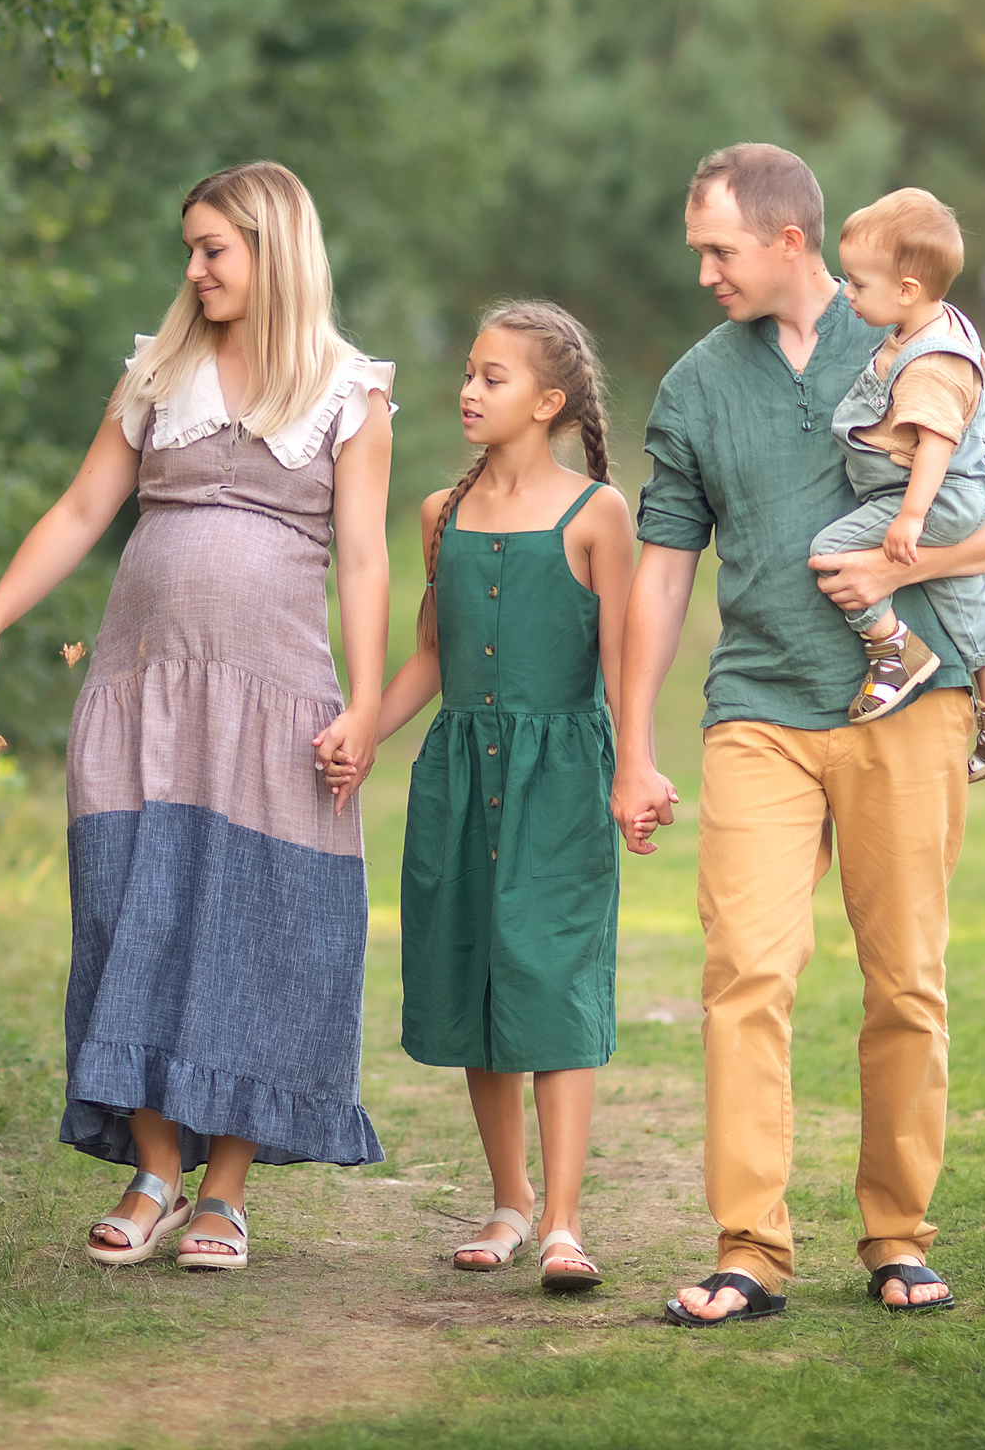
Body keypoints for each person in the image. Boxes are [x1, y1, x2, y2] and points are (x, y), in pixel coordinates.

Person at [609, 144, 985, 1327]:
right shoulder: (695, 385)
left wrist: (902, 561)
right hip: (756, 710)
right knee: (745, 973)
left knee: (906, 980)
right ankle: (749, 1247)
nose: (702, 269)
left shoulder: (917, 336)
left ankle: (897, 1234)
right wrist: (632, 744)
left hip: (914, 706)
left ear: (788, 241)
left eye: (718, 247)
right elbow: (659, 577)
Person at [0, 162, 394, 1272]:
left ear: (270, 248)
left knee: (261, 927)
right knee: (130, 906)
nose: (192, 269)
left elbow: (367, 558)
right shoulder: (157, 369)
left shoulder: (349, 391)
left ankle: (224, 1192)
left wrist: (368, 706)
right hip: (143, 692)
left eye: (211, 249)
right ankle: (153, 1171)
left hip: (275, 701)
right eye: (189, 248)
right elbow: (85, 507)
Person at [350, 302, 634, 1293]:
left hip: (558, 778)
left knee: (549, 980)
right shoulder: (440, 514)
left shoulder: (597, 512)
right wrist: (362, 733)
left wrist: (632, 768)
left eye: (492, 378)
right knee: (478, 976)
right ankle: (509, 1203)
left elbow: (620, 667)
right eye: (467, 373)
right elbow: (429, 654)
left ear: (549, 401)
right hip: (459, 778)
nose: (468, 391)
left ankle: (563, 1221)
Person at [808, 188, 985, 780]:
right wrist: (984, 390)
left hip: (929, 496)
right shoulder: (949, 325)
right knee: (965, 591)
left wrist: (910, 517)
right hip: (965, 496)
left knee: (830, 551)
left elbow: (934, 445)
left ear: (906, 290)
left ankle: (894, 650)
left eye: (858, 286)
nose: (847, 293)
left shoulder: (926, 365)